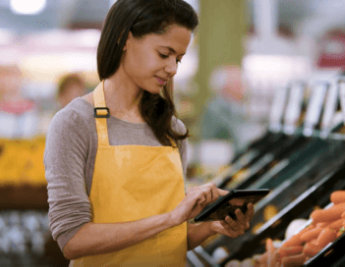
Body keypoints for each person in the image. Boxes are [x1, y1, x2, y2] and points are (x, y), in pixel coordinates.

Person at [44, 0, 254, 266]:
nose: (173, 69)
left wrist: (212, 226)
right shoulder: (74, 123)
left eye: (178, 58)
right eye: (164, 54)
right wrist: (171, 218)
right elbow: (72, 239)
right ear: (124, 39)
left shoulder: (171, 129)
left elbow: (170, 239)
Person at [201, 65, 246, 151]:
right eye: (238, 84)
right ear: (225, 87)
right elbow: (237, 138)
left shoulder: (232, 107)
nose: (243, 88)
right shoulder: (216, 109)